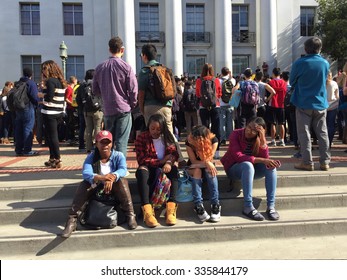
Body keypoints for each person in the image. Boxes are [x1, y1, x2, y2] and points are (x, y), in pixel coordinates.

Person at [61, 130, 137, 238]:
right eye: (102, 142)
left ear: (112, 143)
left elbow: (123, 169)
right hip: (97, 189)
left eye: (108, 142)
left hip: (114, 189)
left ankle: (130, 215)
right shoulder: (92, 157)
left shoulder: (118, 155)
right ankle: (72, 220)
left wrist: (112, 177)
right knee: (84, 184)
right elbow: (86, 173)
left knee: (122, 181)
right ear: (96, 143)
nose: (105, 145)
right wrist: (102, 178)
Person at [221, 117, 280, 221]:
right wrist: (262, 160)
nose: (249, 131)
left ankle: (271, 206)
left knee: (271, 167)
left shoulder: (258, 138)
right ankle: (248, 206)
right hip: (234, 169)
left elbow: (265, 158)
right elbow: (238, 156)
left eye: (254, 130)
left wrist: (262, 141)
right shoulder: (236, 134)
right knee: (247, 165)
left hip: (252, 170)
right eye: (249, 127)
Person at [138, 43, 186, 167]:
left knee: (152, 133)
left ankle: (155, 158)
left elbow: (141, 92)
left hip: (150, 106)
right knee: (169, 133)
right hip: (166, 106)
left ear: (144, 56)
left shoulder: (145, 71)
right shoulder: (165, 69)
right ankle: (180, 158)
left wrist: (142, 108)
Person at [93, 36, 138, 160]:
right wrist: (132, 104)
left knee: (108, 141)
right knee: (121, 142)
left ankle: (109, 165)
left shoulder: (100, 67)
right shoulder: (126, 67)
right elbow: (134, 90)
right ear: (122, 50)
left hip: (108, 108)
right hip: (123, 107)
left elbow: (95, 90)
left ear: (109, 49)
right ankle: (120, 168)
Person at [290, 37, 331, 171]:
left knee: (304, 133)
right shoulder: (325, 63)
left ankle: (307, 162)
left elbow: (292, 81)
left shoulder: (299, 63)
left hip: (303, 102)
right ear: (320, 49)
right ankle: (325, 162)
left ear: (306, 49)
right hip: (320, 102)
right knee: (322, 133)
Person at [135, 114, 179, 228]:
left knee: (174, 171)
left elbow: (174, 153)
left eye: (159, 129)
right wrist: (160, 162)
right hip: (149, 167)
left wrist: (169, 162)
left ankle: (171, 208)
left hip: (165, 167)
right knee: (142, 171)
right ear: (148, 126)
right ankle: (147, 209)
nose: (155, 131)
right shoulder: (142, 138)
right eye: (152, 128)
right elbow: (141, 159)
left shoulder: (167, 137)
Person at [185, 125, 221, 222]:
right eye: (195, 138)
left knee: (210, 170)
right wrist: (206, 163)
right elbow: (193, 161)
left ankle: (215, 204)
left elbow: (209, 158)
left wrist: (202, 148)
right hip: (194, 167)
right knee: (197, 170)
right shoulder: (189, 142)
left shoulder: (214, 140)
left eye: (200, 139)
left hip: (207, 167)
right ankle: (198, 205)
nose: (198, 141)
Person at [40, 60, 67, 168]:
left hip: (49, 112)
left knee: (51, 136)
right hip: (58, 111)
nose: (43, 71)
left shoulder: (50, 81)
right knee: (52, 136)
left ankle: (57, 158)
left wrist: (42, 96)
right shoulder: (60, 81)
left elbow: (49, 97)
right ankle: (52, 158)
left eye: (44, 69)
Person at [195, 63, 222, 159]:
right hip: (215, 106)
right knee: (216, 129)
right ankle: (217, 151)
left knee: (204, 129)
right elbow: (219, 93)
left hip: (203, 107)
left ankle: (205, 150)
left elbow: (198, 94)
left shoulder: (199, 80)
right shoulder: (216, 80)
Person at [77, 69, 104, 154]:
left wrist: (82, 107)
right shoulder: (98, 84)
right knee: (97, 128)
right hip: (97, 110)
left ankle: (88, 147)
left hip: (86, 110)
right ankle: (97, 146)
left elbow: (78, 99)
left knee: (88, 129)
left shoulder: (82, 85)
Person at [14, 68, 39, 156]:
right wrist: (37, 103)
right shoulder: (31, 83)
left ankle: (18, 149)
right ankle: (27, 150)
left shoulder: (17, 83)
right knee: (28, 128)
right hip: (28, 107)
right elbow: (35, 97)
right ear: (31, 74)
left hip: (18, 108)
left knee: (19, 129)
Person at [267, 67, 288, 146]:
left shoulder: (271, 82)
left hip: (272, 104)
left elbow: (269, 93)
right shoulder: (284, 83)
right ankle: (282, 140)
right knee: (281, 123)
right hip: (281, 104)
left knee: (273, 123)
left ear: (273, 73)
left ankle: (273, 140)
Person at [219, 67, 236, 146]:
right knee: (230, 122)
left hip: (221, 103)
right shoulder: (232, 80)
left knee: (222, 122)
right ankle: (231, 138)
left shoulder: (218, 80)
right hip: (230, 103)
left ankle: (223, 139)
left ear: (221, 72)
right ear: (228, 72)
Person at [326, 70, 339, 148]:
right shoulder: (334, 83)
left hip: (323, 106)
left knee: (323, 126)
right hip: (333, 105)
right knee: (331, 125)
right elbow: (337, 96)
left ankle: (323, 142)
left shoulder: (321, 83)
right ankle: (329, 142)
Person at [64, 76, 78, 146]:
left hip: (73, 108)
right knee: (70, 122)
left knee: (73, 123)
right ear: (74, 81)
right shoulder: (69, 89)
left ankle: (73, 137)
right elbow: (66, 98)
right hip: (70, 108)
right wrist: (71, 103)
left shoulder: (73, 88)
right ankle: (69, 137)